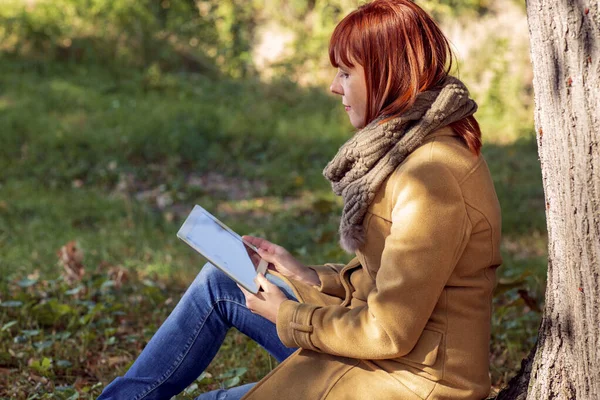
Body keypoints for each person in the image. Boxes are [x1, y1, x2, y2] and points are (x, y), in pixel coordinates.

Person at [98, 0, 502, 399]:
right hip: (386, 355)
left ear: (387, 74)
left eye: (346, 73)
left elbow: (389, 331)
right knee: (222, 282)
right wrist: (306, 276)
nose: (333, 86)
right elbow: (389, 278)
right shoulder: (410, 147)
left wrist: (286, 314)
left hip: (411, 379)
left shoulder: (432, 180)